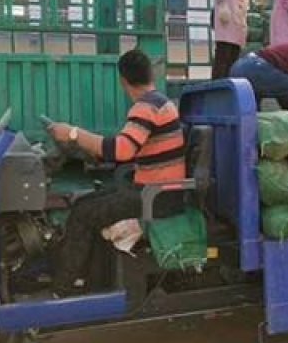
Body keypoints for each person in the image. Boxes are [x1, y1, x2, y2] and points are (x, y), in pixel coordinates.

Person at [47, 49, 186, 296]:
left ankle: (62, 290)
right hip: (152, 190)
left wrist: (73, 134)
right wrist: (85, 145)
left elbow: (122, 150)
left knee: (82, 213)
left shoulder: (146, 108)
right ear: (150, 74)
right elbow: (128, 148)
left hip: (156, 196)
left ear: (123, 80)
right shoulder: (160, 101)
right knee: (87, 201)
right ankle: (91, 279)